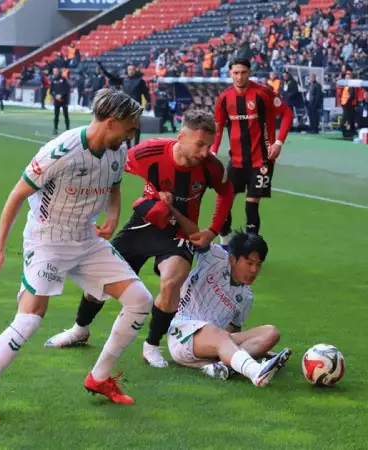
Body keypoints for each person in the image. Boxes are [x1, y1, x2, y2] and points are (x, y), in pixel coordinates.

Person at [0, 89, 153, 423]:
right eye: (130, 127)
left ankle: (100, 377)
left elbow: (115, 186)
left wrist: (112, 215)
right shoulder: (61, 151)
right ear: (111, 122)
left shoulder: (118, 150)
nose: (133, 134)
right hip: (47, 240)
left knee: (140, 299)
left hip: (86, 239)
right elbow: (17, 195)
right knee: (30, 318)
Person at [45, 110, 235, 368]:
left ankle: (152, 346)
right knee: (102, 279)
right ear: (181, 136)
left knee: (172, 281)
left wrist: (212, 231)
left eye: (209, 146)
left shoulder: (211, 165)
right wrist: (109, 214)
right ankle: (80, 329)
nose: (205, 152)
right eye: (200, 144)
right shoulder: (149, 151)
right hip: (143, 222)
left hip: (178, 233)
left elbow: (227, 192)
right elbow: (111, 172)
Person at [167, 233, 291, 385]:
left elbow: (232, 332)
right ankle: (255, 371)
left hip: (213, 344)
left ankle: (221, 367)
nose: (254, 270)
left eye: (258, 265)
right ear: (233, 259)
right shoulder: (215, 256)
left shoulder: (246, 296)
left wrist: (258, 348)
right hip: (182, 335)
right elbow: (194, 234)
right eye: (249, 263)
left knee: (271, 333)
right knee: (218, 333)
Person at [212, 58, 293, 241]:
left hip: (262, 159)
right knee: (224, 202)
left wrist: (278, 142)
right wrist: (214, 151)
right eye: (236, 73)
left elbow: (287, 113)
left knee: (251, 204)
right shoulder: (224, 98)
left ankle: (250, 251)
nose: (239, 77)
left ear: (249, 72)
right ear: (230, 74)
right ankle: (225, 246)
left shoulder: (263, 93)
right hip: (237, 160)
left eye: (243, 72)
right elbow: (218, 127)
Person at [98, 61, 151, 146]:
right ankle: (128, 146)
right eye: (129, 69)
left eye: (132, 69)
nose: (131, 71)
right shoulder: (124, 80)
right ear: (127, 70)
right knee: (126, 126)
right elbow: (112, 78)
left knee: (136, 126)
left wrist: (149, 102)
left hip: (136, 107)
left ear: (135, 70)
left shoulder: (140, 81)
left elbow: (146, 93)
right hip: (126, 106)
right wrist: (103, 69)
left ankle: (136, 145)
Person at [50, 67, 71, 134]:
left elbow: (66, 89)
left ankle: (68, 129)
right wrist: (55, 96)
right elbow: (51, 91)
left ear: (58, 72)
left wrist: (61, 95)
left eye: (56, 71)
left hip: (64, 100)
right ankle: (55, 129)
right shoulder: (53, 80)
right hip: (56, 100)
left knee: (66, 115)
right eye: (53, 71)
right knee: (56, 115)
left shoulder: (64, 79)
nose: (54, 72)